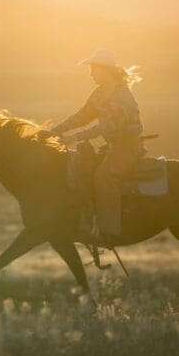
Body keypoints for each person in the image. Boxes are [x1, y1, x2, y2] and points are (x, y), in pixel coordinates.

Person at [38, 48, 144, 247]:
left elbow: (105, 127)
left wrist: (74, 138)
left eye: (94, 69)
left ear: (105, 70)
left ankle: (110, 233)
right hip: (114, 146)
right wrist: (55, 131)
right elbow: (82, 116)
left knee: (104, 177)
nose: (91, 73)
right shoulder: (100, 93)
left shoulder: (121, 95)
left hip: (127, 147)